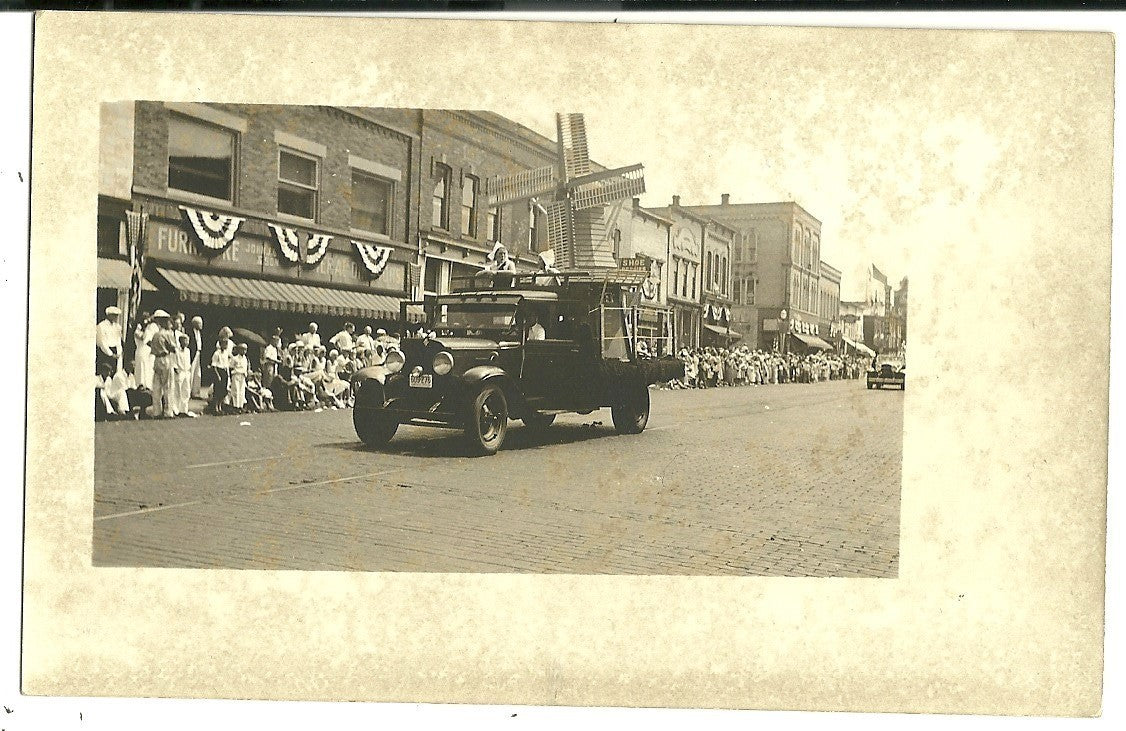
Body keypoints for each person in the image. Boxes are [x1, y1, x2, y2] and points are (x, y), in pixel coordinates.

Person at [146, 310, 178, 418]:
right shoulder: (167, 334)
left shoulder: (155, 335)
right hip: (165, 359)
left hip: (156, 360)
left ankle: (157, 411)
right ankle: (168, 411)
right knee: (168, 386)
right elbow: (173, 348)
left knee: (157, 386)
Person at [209, 326, 234, 415]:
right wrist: (218, 375)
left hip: (224, 370)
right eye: (224, 343)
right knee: (217, 390)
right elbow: (214, 365)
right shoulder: (217, 353)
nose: (225, 345)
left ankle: (220, 406)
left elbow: (227, 362)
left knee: (224, 391)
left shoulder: (226, 353)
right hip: (219, 371)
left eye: (226, 344)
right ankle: (215, 407)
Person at [174, 333, 197, 418]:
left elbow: (188, 362)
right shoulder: (176, 350)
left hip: (186, 372)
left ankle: (184, 410)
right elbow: (174, 362)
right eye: (185, 340)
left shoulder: (188, 351)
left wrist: (189, 370)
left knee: (186, 391)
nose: (187, 342)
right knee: (177, 391)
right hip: (180, 372)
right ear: (180, 341)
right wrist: (177, 370)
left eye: (187, 340)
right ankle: (176, 410)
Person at [95, 306, 123, 375]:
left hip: (115, 351)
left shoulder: (117, 326)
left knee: (115, 373)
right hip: (105, 352)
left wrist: (119, 352)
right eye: (114, 315)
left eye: (116, 315)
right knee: (105, 373)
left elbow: (118, 340)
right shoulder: (101, 326)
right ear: (108, 315)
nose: (116, 317)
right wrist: (110, 354)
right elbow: (102, 342)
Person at [133, 311, 158, 389]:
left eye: (147, 317)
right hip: (141, 349)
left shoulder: (151, 328)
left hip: (149, 351)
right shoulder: (138, 329)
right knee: (140, 367)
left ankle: (148, 386)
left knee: (148, 368)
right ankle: (140, 385)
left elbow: (149, 339)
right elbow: (140, 337)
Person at [229, 342, 250, 413]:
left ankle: (241, 406)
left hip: (243, 375)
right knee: (236, 391)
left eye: (245, 350)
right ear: (238, 350)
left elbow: (246, 368)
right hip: (236, 375)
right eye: (242, 349)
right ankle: (236, 406)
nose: (244, 351)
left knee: (242, 391)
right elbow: (231, 367)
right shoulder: (235, 358)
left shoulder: (245, 359)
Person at [187, 315, 205, 398]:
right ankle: (188, 392)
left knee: (197, 374)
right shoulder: (190, 332)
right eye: (200, 323)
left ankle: (195, 392)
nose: (201, 325)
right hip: (192, 354)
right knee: (191, 373)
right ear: (195, 324)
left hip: (198, 353)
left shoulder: (199, 333)